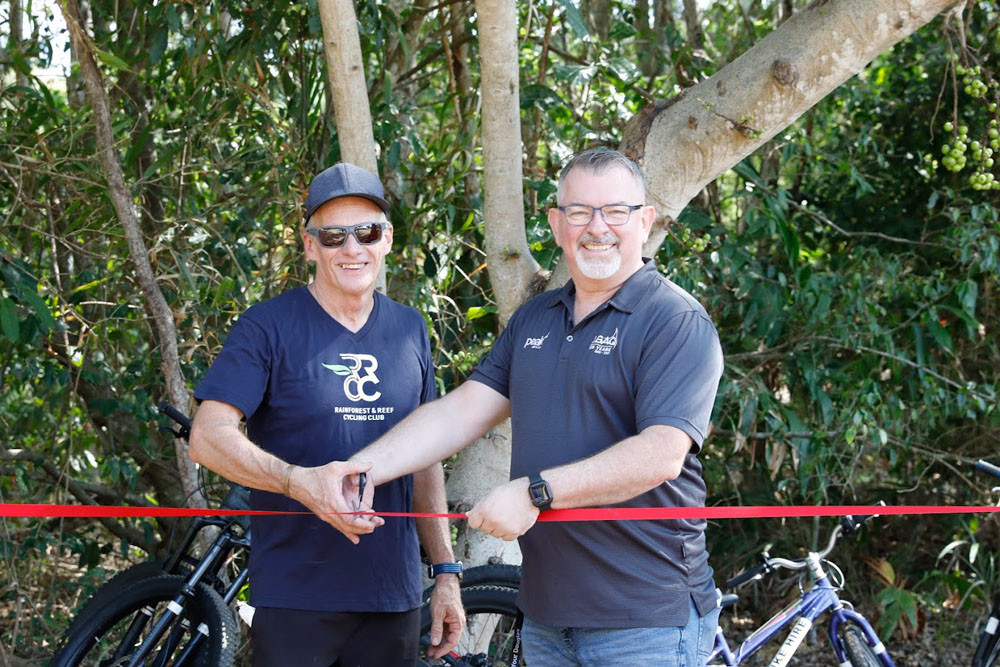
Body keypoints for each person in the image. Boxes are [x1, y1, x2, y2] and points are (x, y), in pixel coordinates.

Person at [334, 148, 724, 665]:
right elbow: (459, 413)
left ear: (645, 220)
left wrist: (537, 493)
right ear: (556, 223)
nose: (597, 227)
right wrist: (359, 473)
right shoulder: (535, 318)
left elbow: (660, 455)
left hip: (646, 621)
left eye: (616, 211)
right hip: (546, 618)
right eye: (580, 211)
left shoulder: (674, 320)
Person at [188, 162, 464, 667]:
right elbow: (208, 437)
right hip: (296, 599)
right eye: (334, 236)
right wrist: (297, 482)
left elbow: (427, 460)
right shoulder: (267, 326)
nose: (352, 248)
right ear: (309, 245)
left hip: (392, 599)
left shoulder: (411, 330)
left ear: (387, 239)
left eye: (367, 232)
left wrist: (445, 573)